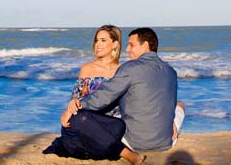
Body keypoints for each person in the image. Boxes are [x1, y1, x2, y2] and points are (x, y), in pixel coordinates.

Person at [44, 27, 184, 164]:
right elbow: (165, 100)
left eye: (131, 45)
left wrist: (74, 109)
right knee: (179, 105)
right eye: (96, 40)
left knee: (80, 120)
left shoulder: (129, 68)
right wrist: (170, 119)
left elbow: (103, 97)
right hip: (166, 141)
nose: (127, 49)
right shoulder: (171, 71)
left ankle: (125, 153)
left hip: (122, 132)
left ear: (145, 45)